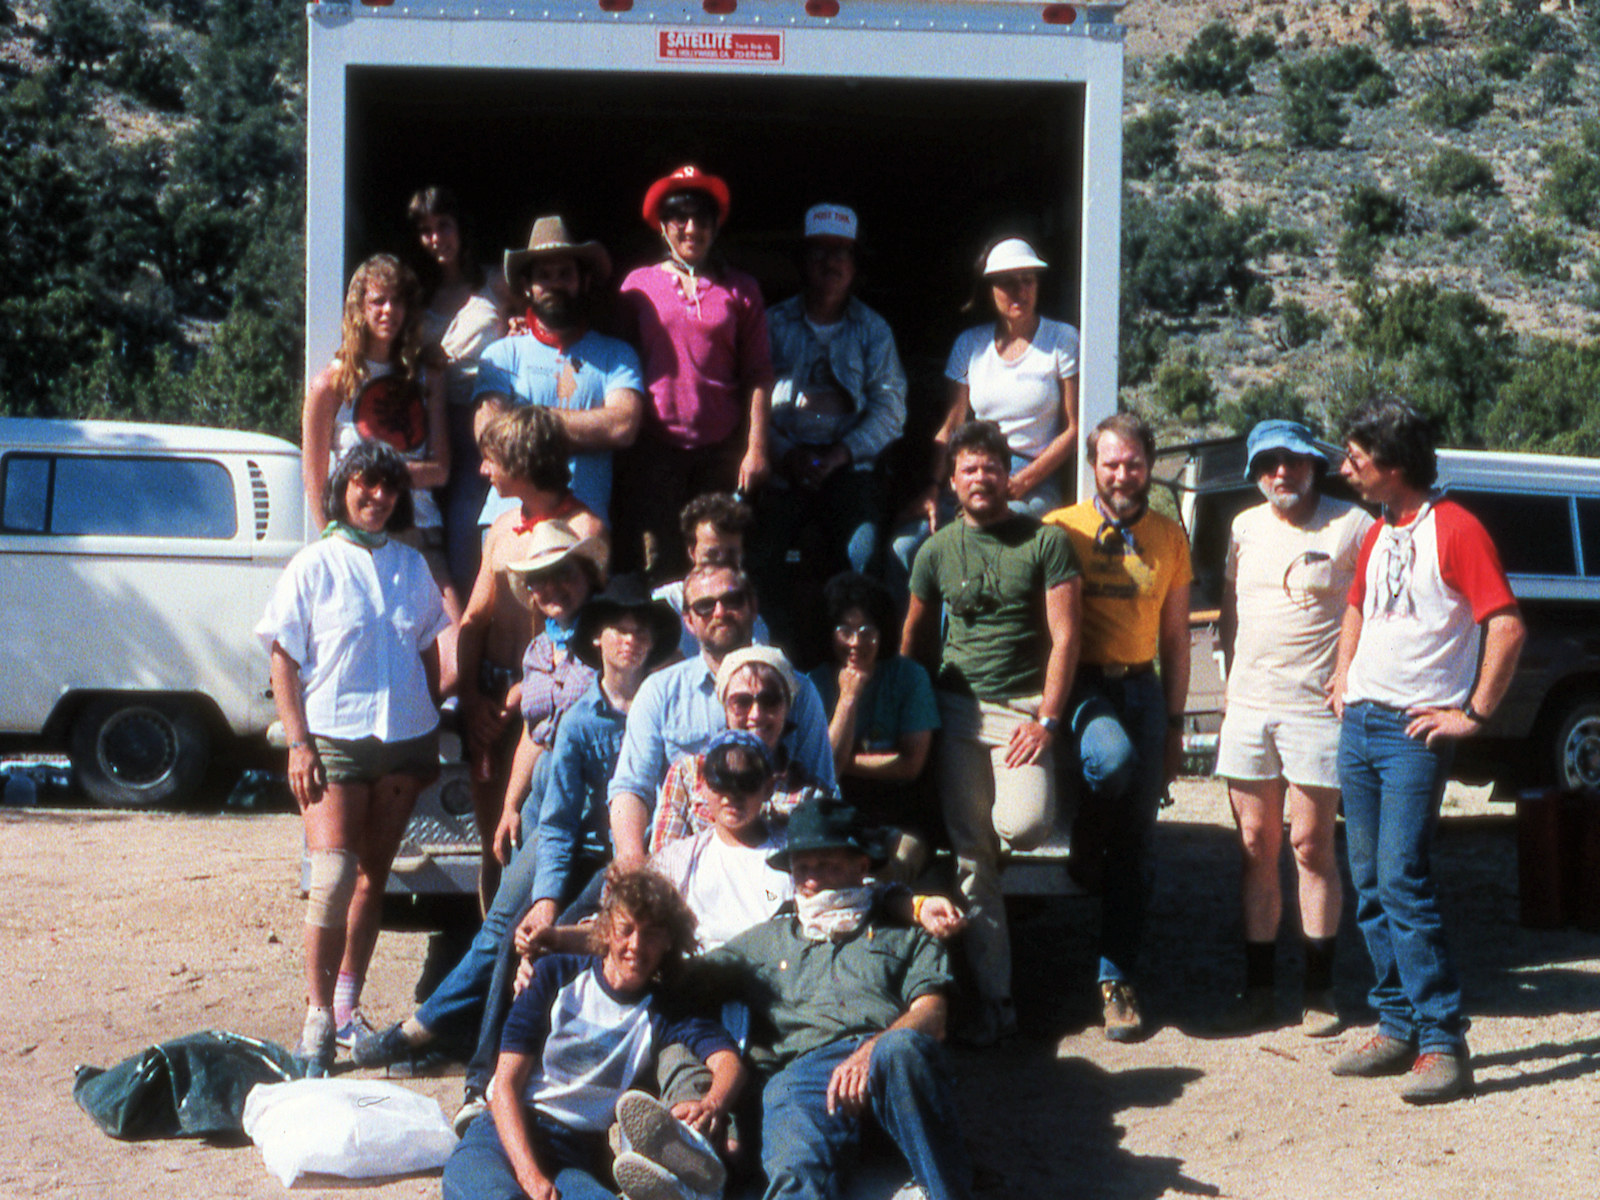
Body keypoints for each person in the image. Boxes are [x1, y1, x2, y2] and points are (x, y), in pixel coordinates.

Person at [353, 580, 679, 1097]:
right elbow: (558, 822)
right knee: (512, 934)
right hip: (570, 842)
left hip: (627, 860)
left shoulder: (664, 713)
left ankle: (442, 1038)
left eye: (642, 633)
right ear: (598, 638)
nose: (631, 642)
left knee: (547, 942)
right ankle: (479, 1080)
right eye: (621, 630)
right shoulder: (577, 719)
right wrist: (545, 895)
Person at [1328, 396, 1525, 1104]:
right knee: (1369, 879)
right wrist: (1342, 676)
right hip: (1361, 725)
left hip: (1414, 733)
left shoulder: (1457, 528)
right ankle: (1396, 1025)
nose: (1346, 467)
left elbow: (1505, 626)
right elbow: (1357, 605)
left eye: (1357, 456)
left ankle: (1444, 1042)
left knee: (1402, 877)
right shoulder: (1381, 530)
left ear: (1395, 463)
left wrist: (1472, 713)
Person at [256, 441, 450, 1074]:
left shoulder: (411, 567)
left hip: (403, 739)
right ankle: (315, 1017)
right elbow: (283, 657)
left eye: (388, 489)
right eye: (364, 486)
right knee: (334, 875)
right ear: (343, 488)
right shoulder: (312, 565)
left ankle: (347, 1009)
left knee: (375, 877)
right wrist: (299, 741)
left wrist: (435, 714)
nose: (376, 498)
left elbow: (426, 648)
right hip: (332, 739)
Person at [902, 420, 1080, 1045]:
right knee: (974, 858)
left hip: (1023, 708)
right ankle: (996, 1000)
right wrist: (906, 708)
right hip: (956, 711)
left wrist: (1048, 720)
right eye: (969, 469)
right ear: (953, 482)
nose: (981, 479)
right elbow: (916, 639)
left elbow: (1066, 637)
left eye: (992, 467)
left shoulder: (1043, 541)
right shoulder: (936, 551)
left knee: (1023, 826)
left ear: (1010, 474)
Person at [698, 796, 974, 1200]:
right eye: (802, 867)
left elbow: (932, 1016)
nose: (812, 879)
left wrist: (870, 1052)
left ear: (861, 866)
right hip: (806, 1076)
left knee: (902, 1049)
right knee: (789, 1124)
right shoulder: (767, 940)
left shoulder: (907, 930)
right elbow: (682, 979)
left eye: (826, 865)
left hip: (888, 1064)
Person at [441, 864, 744, 1200]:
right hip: (503, 1134)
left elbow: (728, 1061)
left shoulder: (664, 1010)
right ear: (607, 930)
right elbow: (506, 1085)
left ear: (669, 940)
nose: (636, 945)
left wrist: (713, 1102)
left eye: (652, 933)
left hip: (578, 1154)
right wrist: (530, 1176)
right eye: (625, 930)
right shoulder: (554, 975)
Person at [1214, 419, 1374, 1036]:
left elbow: (1373, 605)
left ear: (1316, 466)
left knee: (1311, 845)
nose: (1282, 472)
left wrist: (1349, 674)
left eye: (1295, 461)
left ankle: (1319, 988)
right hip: (1251, 708)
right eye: (1269, 462)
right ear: (1256, 471)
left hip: (1316, 711)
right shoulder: (1243, 527)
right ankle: (1258, 988)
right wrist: (1229, 683)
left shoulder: (1351, 524)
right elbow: (1230, 609)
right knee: (1256, 845)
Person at [1044, 412, 1191, 1044]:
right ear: (1092, 466)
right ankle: (1084, 846)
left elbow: (1177, 637)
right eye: (1110, 462)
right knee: (1112, 762)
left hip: (1142, 685)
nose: (1122, 474)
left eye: (1133, 462)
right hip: (1083, 686)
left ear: (1150, 465)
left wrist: (1177, 723)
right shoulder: (1059, 529)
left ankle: (1116, 981)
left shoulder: (1169, 536)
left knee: (1138, 846)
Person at [460, 408, 609, 904]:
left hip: (549, 710)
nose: (484, 470)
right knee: (494, 844)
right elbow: (474, 620)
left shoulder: (585, 527)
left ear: (523, 461)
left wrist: (523, 693)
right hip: (491, 699)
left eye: (492, 459)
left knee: (542, 844)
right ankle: (490, 967)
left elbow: (581, 631)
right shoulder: (502, 527)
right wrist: (470, 699)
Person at [301, 253, 460, 692]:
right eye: (377, 301)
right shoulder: (332, 383)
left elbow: (442, 469)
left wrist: (381, 477)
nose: (388, 311)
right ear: (359, 308)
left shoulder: (426, 373)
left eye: (397, 302)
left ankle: (415, 734)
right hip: (358, 542)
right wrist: (331, 539)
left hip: (420, 533)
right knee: (365, 664)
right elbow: (314, 475)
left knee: (455, 660)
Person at [608, 564, 837, 868]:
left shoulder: (799, 690)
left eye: (733, 601)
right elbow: (631, 787)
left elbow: (822, 786)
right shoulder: (660, 693)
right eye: (705, 606)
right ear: (688, 620)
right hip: (674, 856)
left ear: (753, 606)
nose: (720, 612)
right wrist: (632, 859)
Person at [752, 204, 907, 646]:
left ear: (855, 265)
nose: (831, 262)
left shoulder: (872, 330)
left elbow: (890, 410)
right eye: (819, 251)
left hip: (850, 469)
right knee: (762, 561)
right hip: (785, 469)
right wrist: (786, 452)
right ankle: (775, 662)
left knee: (864, 554)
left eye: (842, 253)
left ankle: (861, 663)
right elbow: (753, 398)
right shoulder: (772, 322)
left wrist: (841, 453)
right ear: (803, 261)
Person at [615, 165, 775, 579]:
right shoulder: (637, 286)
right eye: (679, 219)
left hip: (721, 451)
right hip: (656, 449)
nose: (691, 228)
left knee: (718, 557)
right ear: (662, 227)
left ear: (715, 226)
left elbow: (759, 373)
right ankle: (667, 642)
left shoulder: (741, 289)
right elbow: (612, 356)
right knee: (660, 559)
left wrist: (756, 448)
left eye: (702, 219)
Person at [892, 236, 1079, 583]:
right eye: (1008, 282)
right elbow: (952, 424)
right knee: (906, 546)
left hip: (1033, 475)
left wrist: (1023, 481)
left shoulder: (1062, 340)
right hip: (976, 468)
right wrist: (934, 487)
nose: (1020, 290)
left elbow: (1074, 428)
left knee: (989, 539)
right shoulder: (970, 344)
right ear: (991, 289)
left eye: (1028, 280)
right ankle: (918, 635)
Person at [475, 215, 644, 530]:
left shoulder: (617, 356)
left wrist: (525, 420)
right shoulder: (499, 355)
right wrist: (588, 430)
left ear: (584, 280)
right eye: (544, 275)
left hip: (582, 529)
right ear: (527, 286)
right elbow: (488, 433)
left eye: (565, 274)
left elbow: (622, 426)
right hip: (507, 526)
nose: (554, 284)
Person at [407, 186, 508, 595]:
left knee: (467, 528)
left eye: (443, 226)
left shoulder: (496, 282)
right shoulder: (415, 294)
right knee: (425, 529)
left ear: (461, 227)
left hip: (477, 422)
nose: (436, 239)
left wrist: (520, 327)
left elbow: (538, 323)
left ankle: (472, 640)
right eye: (426, 230)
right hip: (426, 423)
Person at [810, 572, 939, 884]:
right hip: (835, 814)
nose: (856, 642)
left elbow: (909, 764)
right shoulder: (814, 682)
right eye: (845, 630)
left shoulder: (910, 677)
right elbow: (822, 772)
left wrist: (843, 761)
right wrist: (849, 697)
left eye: (867, 631)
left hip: (899, 815)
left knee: (886, 873)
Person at [650, 648, 819, 856]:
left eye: (770, 701)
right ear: (725, 708)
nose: (756, 714)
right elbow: (664, 861)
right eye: (742, 702)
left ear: (787, 707)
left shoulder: (806, 791)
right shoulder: (688, 773)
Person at [652, 492, 771, 660]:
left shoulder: (752, 618)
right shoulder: (665, 603)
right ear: (692, 552)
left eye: (731, 554)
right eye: (712, 554)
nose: (722, 562)